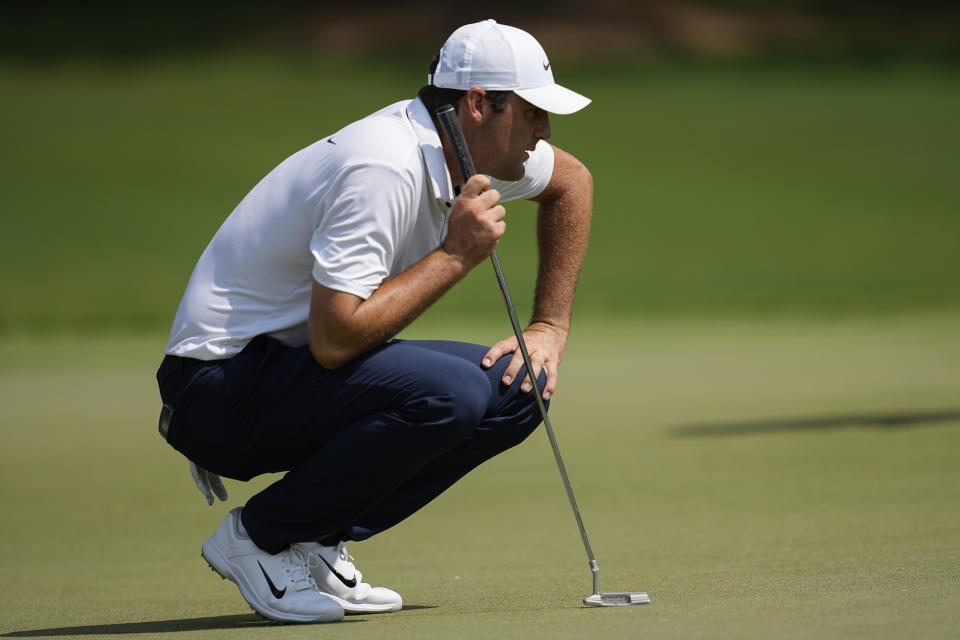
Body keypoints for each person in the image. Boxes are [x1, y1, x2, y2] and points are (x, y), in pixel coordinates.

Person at [156, 19, 592, 623]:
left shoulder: (454, 140)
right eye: (532, 112)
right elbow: (335, 341)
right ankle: (258, 537)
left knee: (521, 387)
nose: (544, 131)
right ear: (476, 104)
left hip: (283, 370)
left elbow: (573, 183)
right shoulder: (384, 165)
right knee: (455, 392)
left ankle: (314, 533)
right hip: (216, 389)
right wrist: (455, 255)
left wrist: (550, 327)